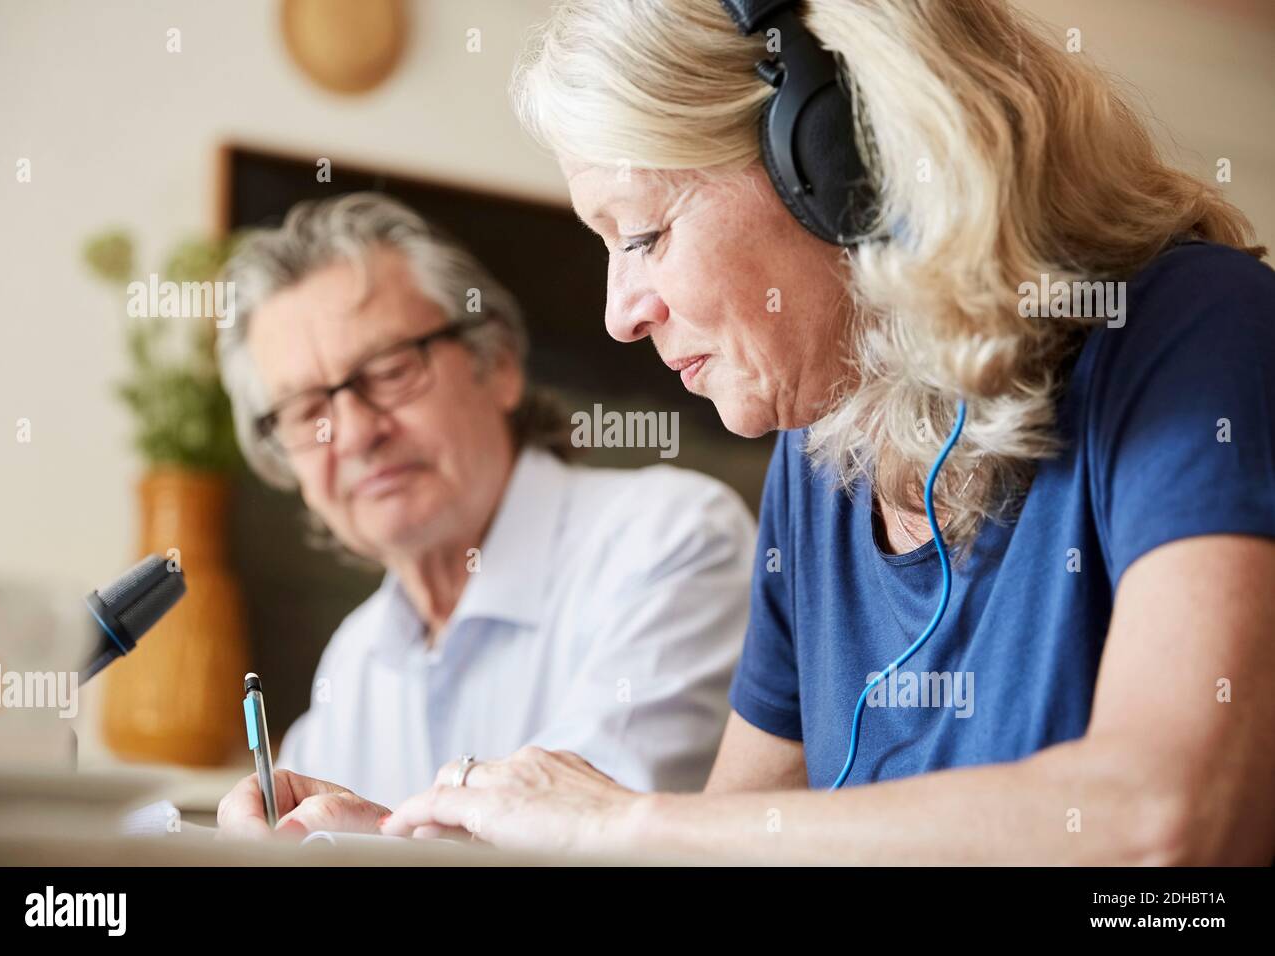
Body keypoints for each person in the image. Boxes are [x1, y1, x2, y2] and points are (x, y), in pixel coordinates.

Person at [365, 0, 1275, 863]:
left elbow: (1173, 818)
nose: (619, 314)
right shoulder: (823, 450)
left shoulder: (1196, 331)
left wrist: (622, 823)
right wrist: (416, 851)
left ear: (841, 160)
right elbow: (725, 849)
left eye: (643, 234)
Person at [213, 193, 756, 837]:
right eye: (308, 411)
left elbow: (591, 845)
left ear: (496, 365)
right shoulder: (355, 661)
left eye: (388, 372)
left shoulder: (671, 538)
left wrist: (377, 846)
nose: (355, 434)